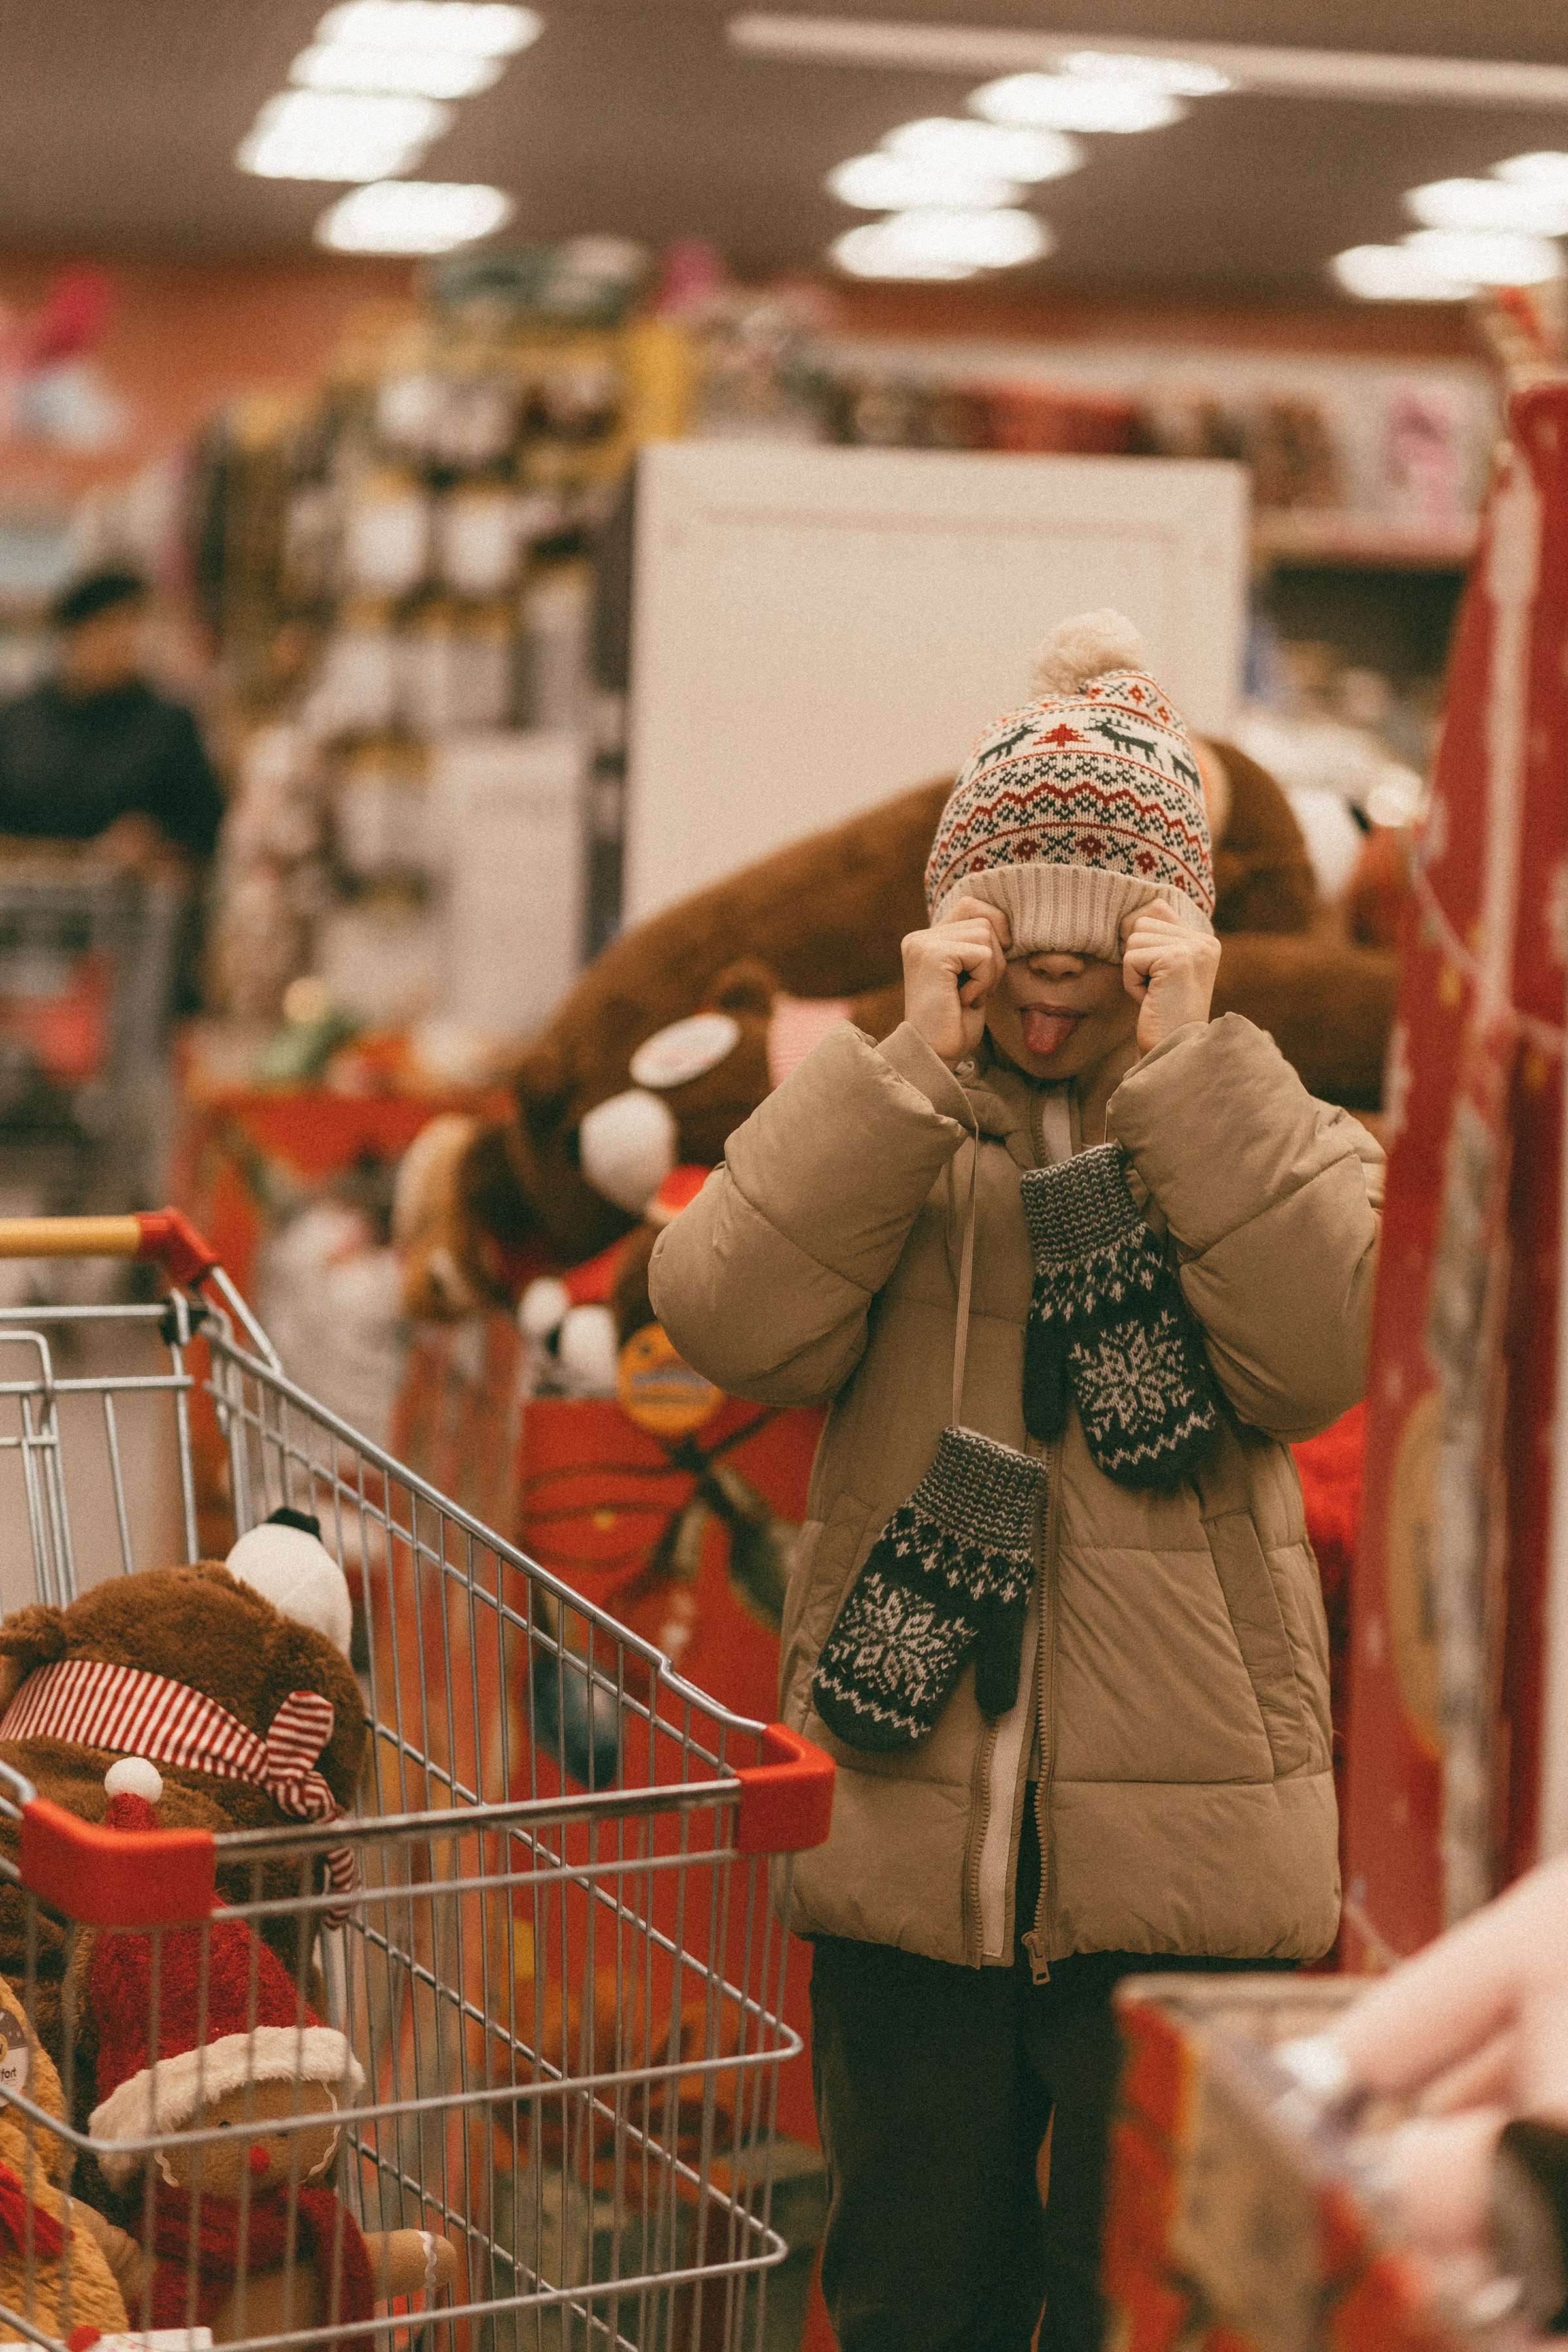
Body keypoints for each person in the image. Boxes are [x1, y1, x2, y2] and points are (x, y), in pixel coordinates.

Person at [649, 610, 1384, 2352]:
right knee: (913, 2293)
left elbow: (1324, 1349)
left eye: (1101, 955)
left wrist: (1196, 1070)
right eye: (1019, 953)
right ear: (957, 936)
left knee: (1150, 2301)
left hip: (1195, 1859)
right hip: (913, 1847)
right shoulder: (899, 1122)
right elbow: (724, 1316)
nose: (1055, 998)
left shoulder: (1255, 1112)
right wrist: (904, 1065)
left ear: (1170, 945)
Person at [0, 568, 224, 864]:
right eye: (107, 627)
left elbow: (205, 826)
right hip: (21, 895)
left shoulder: (170, 725)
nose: (122, 642)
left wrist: (156, 842)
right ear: (74, 634)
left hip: (131, 900)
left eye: (131, 626)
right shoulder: (18, 720)